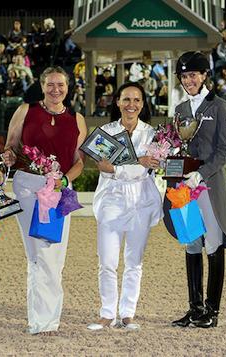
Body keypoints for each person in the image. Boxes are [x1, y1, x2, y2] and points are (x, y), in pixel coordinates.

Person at [1, 66, 87, 335]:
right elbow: (11, 146)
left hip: (59, 189)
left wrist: (64, 180)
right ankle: (42, 320)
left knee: (52, 256)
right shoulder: (26, 110)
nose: (55, 90)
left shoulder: (77, 119)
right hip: (28, 187)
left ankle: (45, 319)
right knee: (38, 254)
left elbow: (79, 161)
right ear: (42, 86)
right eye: (50, 84)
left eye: (60, 85)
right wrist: (8, 157)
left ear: (68, 87)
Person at [163, 51, 226, 328]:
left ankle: (212, 311)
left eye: (193, 74)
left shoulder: (219, 107)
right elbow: (177, 147)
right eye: (184, 76)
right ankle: (194, 308)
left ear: (205, 75)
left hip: (207, 183)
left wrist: (201, 174)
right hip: (184, 184)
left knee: (213, 243)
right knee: (192, 242)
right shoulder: (180, 110)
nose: (188, 80)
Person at [87, 82, 163, 331]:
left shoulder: (152, 134)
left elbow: (147, 168)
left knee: (134, 261)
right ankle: (107, 313)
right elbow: (103, 167)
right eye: (126, 99)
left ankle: (127, 313)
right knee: (107, 261)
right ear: (117, 102)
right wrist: (137, 163)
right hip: (111, 201)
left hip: (141, 201)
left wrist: (121, 167)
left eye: (137, 100)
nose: (131, 105)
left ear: (143, 104)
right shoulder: (105, 132)